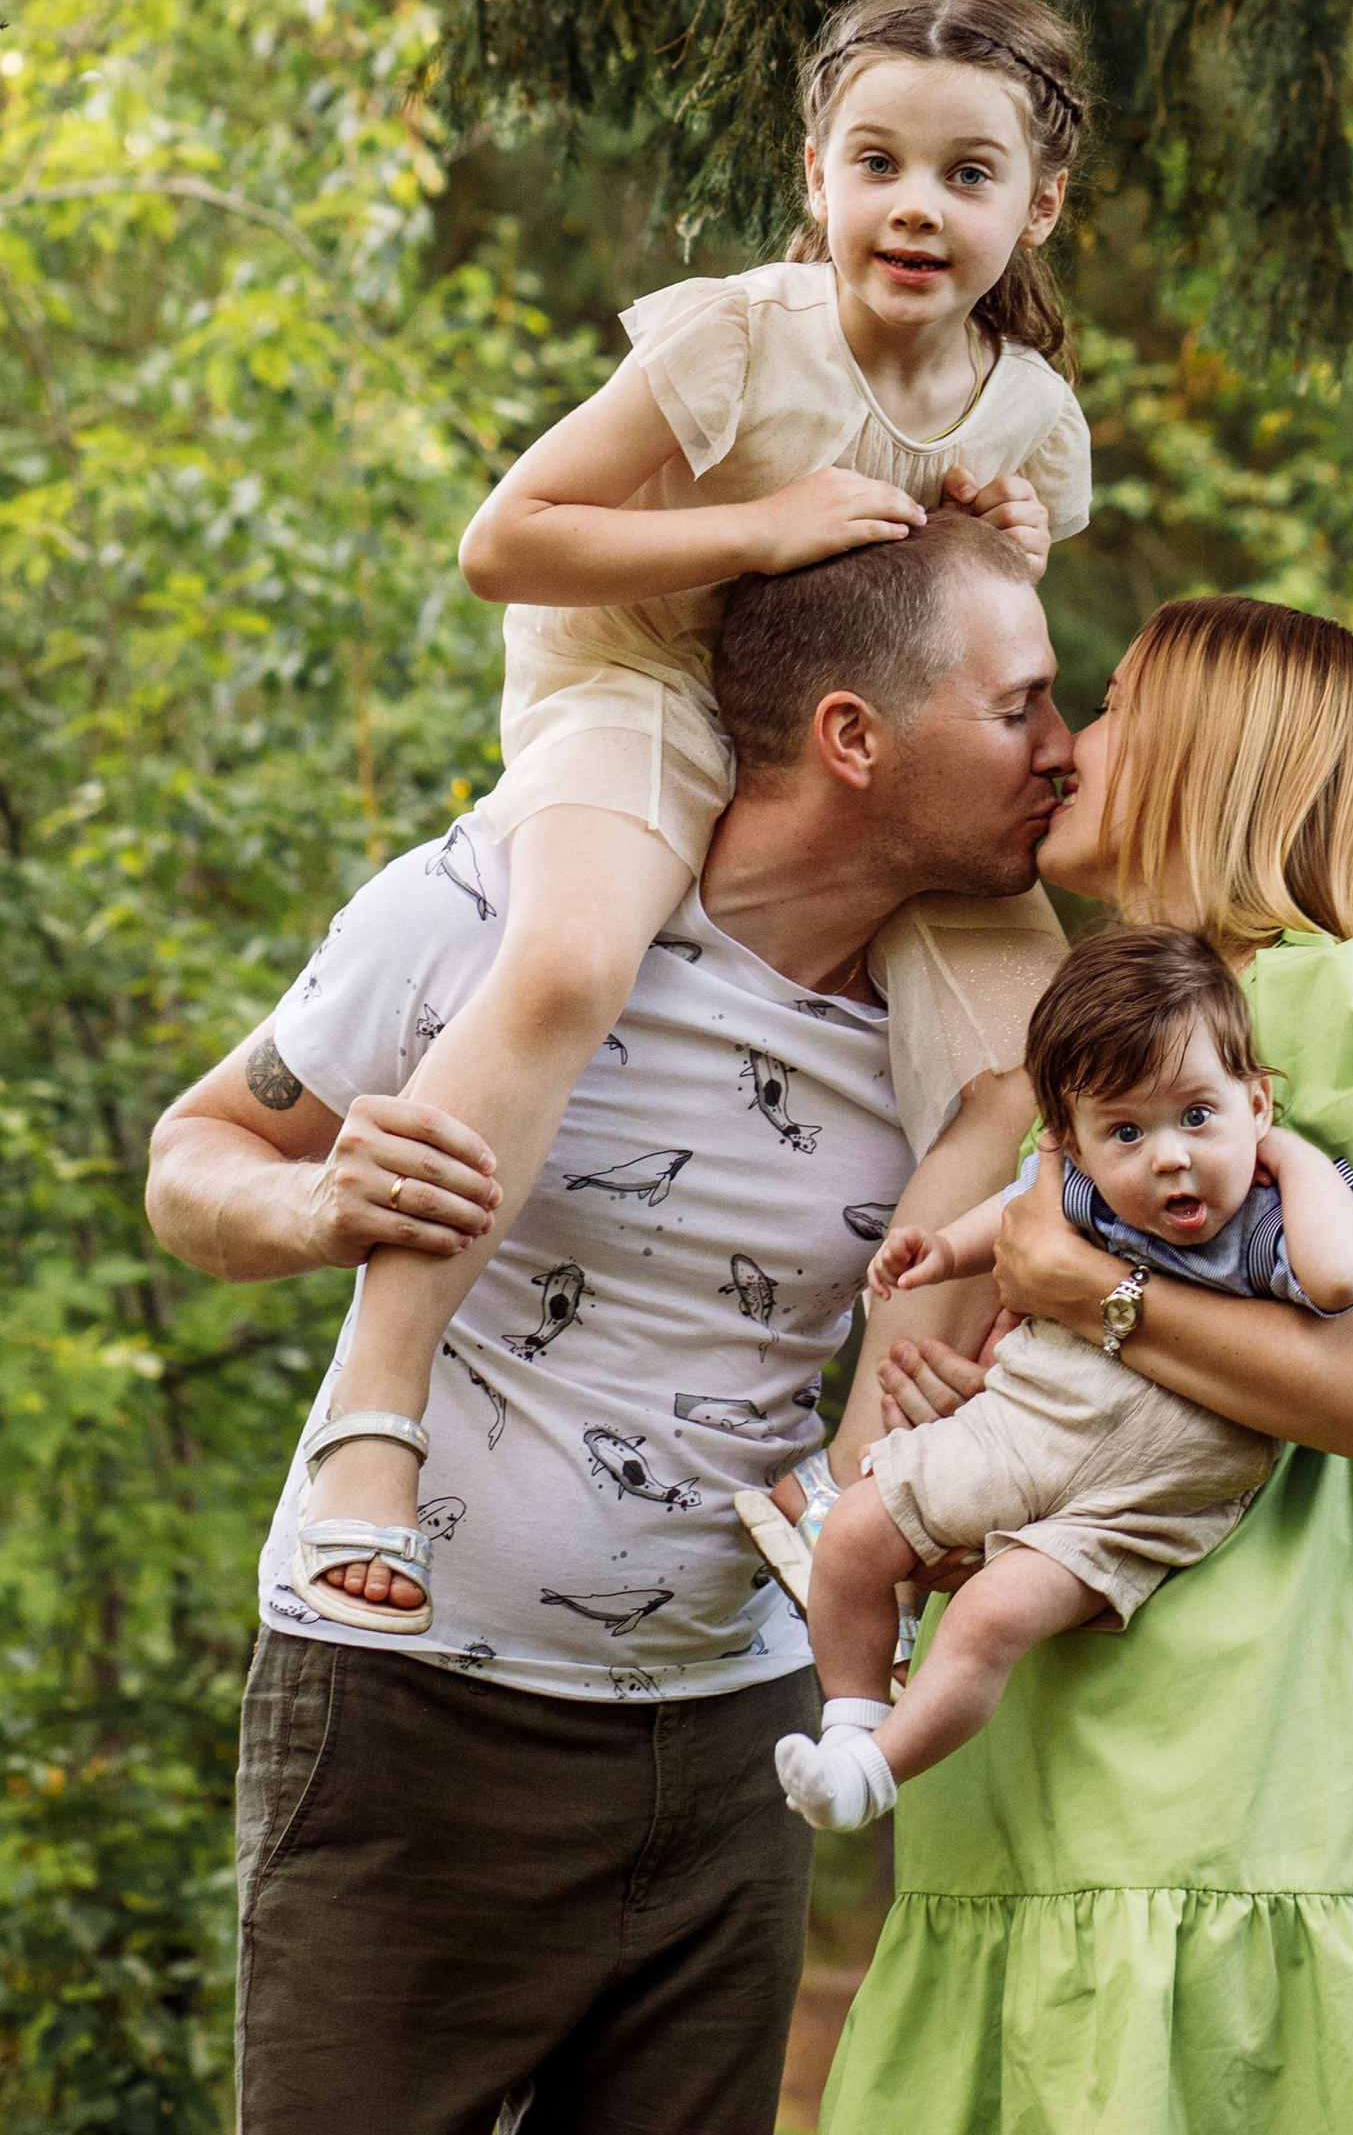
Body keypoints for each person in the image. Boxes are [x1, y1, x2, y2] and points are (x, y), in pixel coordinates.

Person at [145, 515, 1073, 2135]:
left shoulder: (962, 1034)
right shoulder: (502, 906)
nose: (1064, 753)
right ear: (854, 739)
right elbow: (194, 1161)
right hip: (416, 1706)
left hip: (735, 1743)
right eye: (1022, 711)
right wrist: (320, 1208)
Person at [296, 0, 1094, 1631]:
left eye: (966, 174)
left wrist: (997, 545)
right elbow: (505, 543)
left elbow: (957, 645)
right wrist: (754, 527)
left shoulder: (1030, 413)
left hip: (839, 741)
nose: (915, 207)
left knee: (1029, 1063)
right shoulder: (742, 336)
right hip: (642, 679)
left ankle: (853, 1486)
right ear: (815, 175)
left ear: (1039, 205)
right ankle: (375, 1416)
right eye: (876, 161)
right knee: (576, 957)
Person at [815, 593, 1353, 2135]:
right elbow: (950, 1392)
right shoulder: (1107, 1060)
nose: (1069, 744)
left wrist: (1097, 1294)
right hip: (1063, 1691)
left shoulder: (1332, 1005)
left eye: (1112, 707)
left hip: (1233, 1736)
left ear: (1214, 753)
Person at [770, 924, 1353, 1831]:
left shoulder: (1274, 1219)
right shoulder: (1085, 1193)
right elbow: (1017, 1212)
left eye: (1198, 1115)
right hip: (1028, 1431)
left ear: (1257, 1102)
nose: (1170, 1156)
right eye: (1126, 1131)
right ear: (1072, 1141)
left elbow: (1341, 1281)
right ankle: (852, 1726)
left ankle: (877, 1772)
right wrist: (943, 1249)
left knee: (990, 1619)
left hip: (1141, 1500)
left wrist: (1292, 1157)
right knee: (854, 1535)